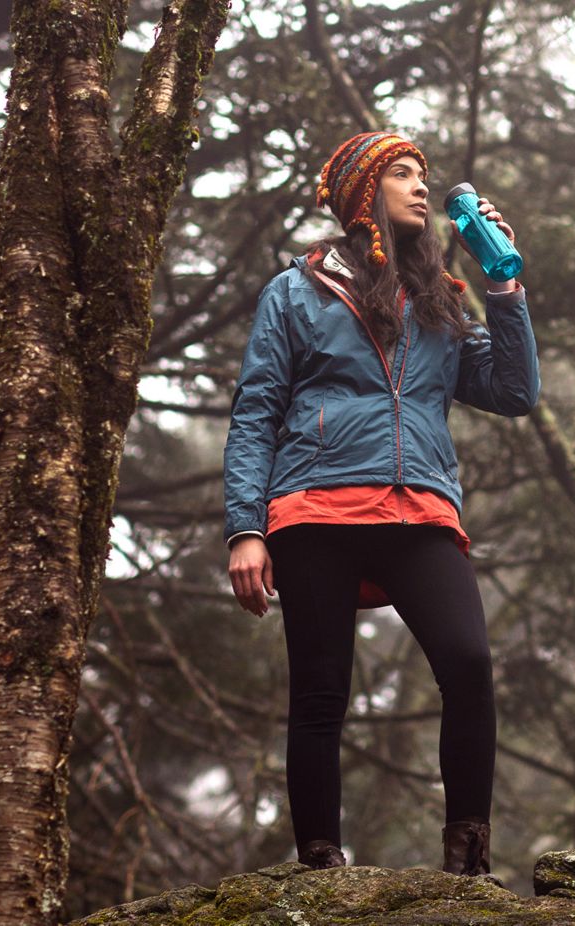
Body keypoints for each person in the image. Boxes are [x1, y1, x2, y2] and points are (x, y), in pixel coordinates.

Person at [224, 131, 540, 876]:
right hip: (314, 511)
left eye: (422, 175)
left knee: (467, 663)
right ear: (362, 192)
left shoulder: (437, 301)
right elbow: (255, 412)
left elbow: (515, 392)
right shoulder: (294, 291)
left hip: (418, 509)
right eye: (401, 173)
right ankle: (321, 862)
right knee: (322, 688)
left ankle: (467, 855)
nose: (421, 188)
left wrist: (503, 289)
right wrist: (246, 529)